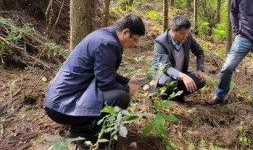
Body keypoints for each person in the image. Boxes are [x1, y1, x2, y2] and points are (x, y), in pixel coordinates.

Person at [44, 13, 146, 150]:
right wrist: (128, 90)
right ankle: (88, 134)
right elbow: (106, 85)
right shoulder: (107, 43)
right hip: (63, 105)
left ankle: (82, 126)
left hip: (61, 100)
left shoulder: (104, 36)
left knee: (119, 93)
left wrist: (128, 81)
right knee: (120, 97)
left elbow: (104, 73)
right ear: (126, 32)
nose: (134, 44)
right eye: (135, 39)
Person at [152, 15, 206, 102]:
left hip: (180, 74)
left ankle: (177, 96)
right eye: (182, 33)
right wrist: (182, 76)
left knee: (201, 80)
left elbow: (199, 52)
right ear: (173, 30)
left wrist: (200, 69)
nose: (185, 36)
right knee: (169, 81)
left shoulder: (188, 37)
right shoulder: (161, 42)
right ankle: (162, 96)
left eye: (187, 33)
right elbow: (165, 67)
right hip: (163, 74)